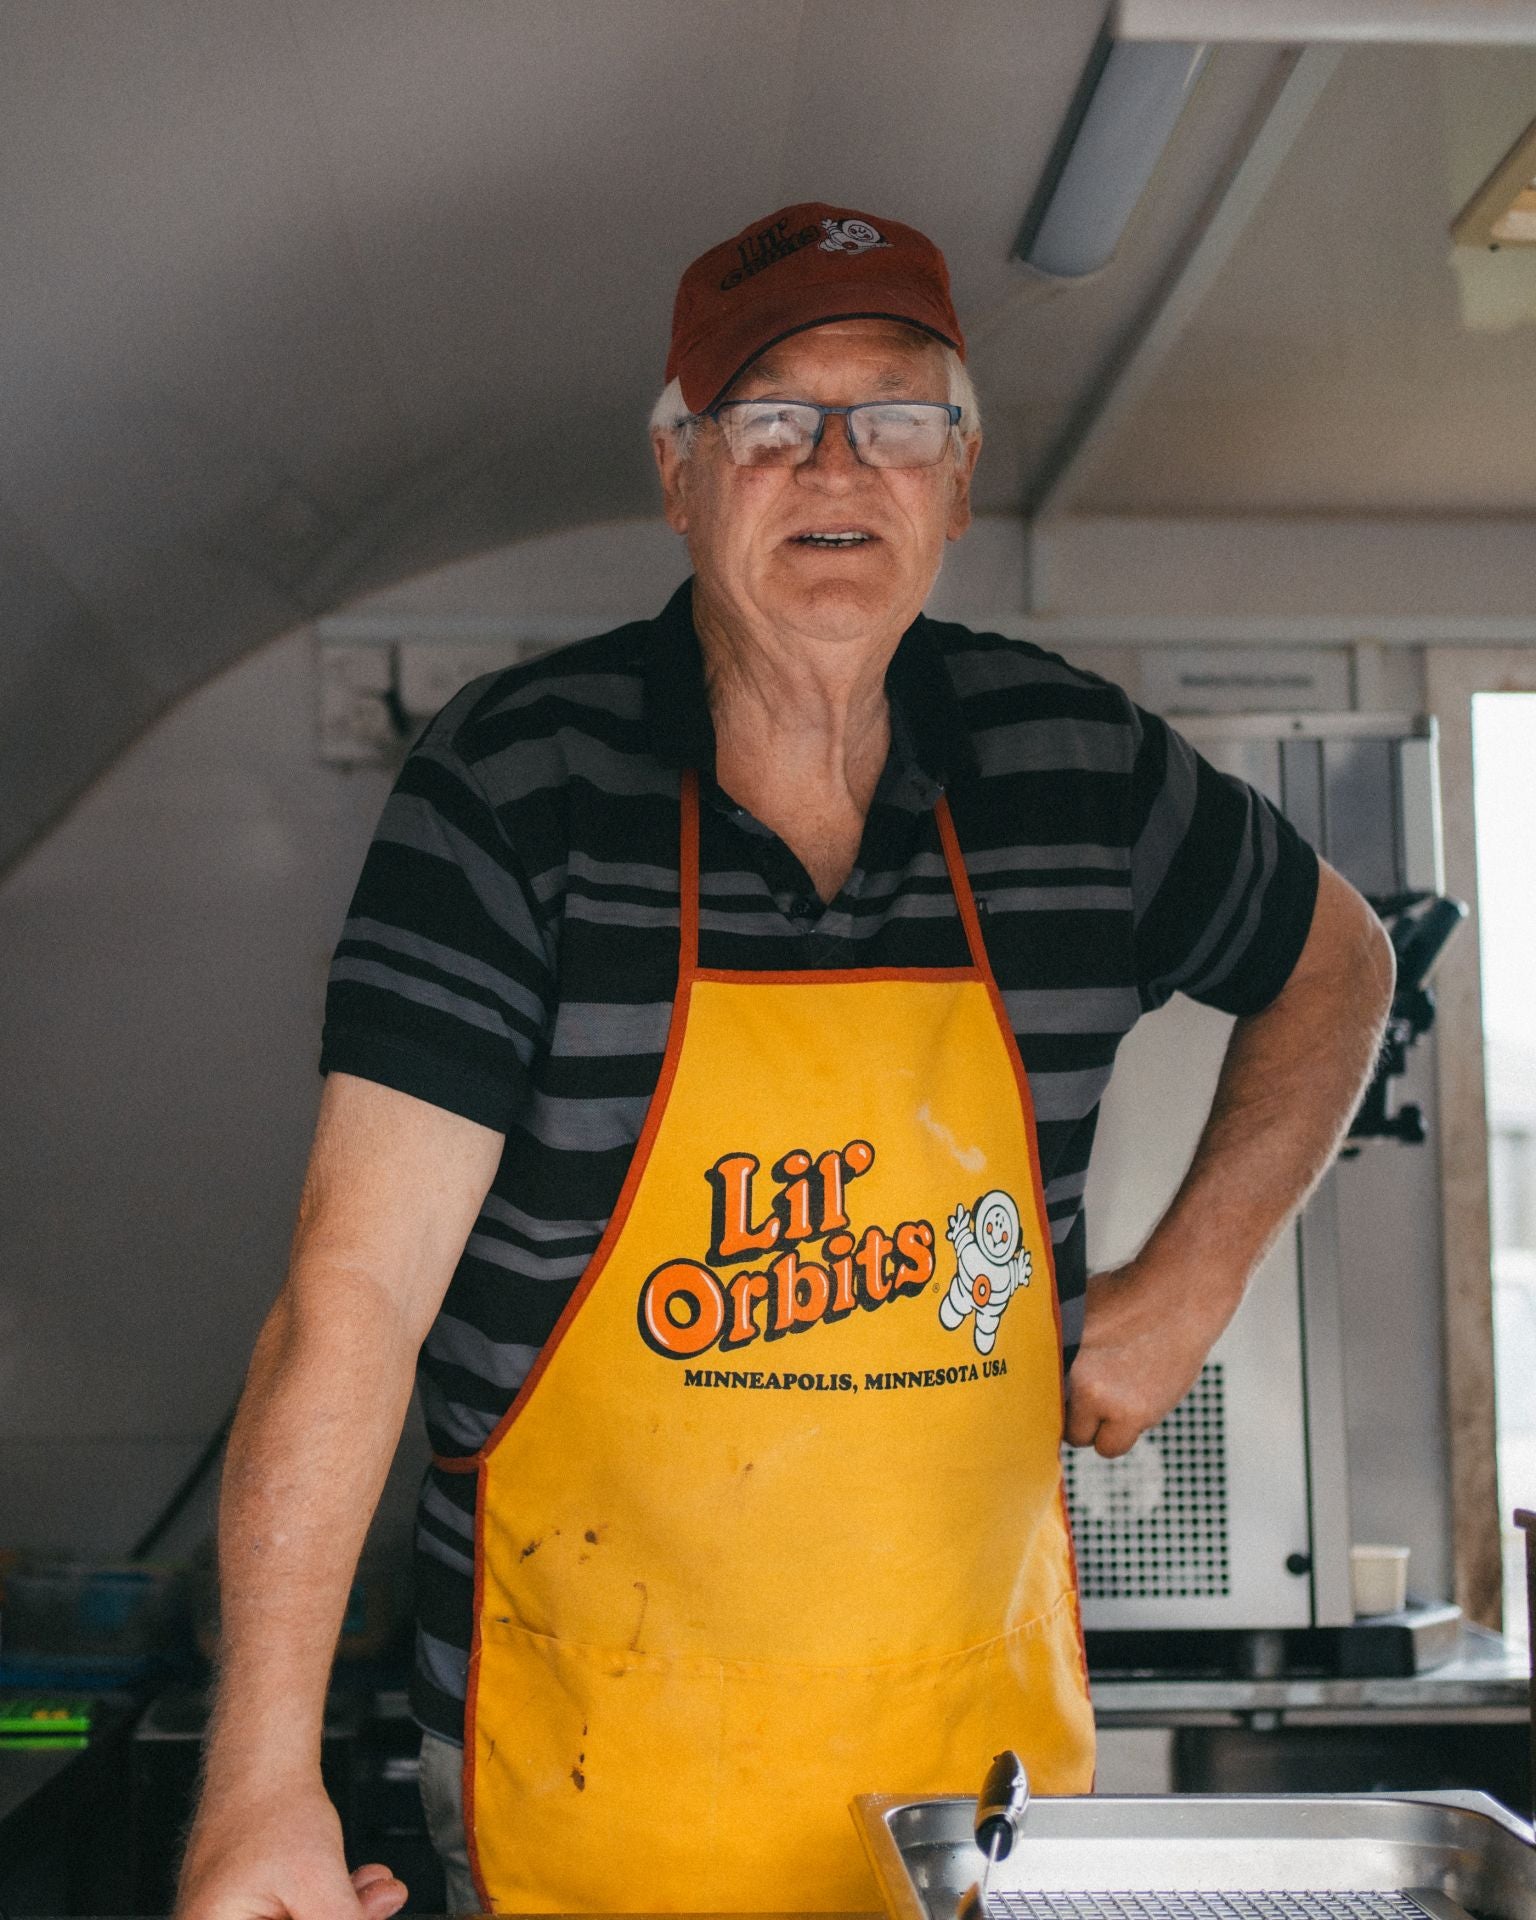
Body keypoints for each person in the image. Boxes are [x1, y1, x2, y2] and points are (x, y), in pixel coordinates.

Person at [177, 202, 1394, 1919]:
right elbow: (353, 1296)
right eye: (771, 421)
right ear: (680, 475)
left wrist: (1200, 1267)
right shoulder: (516, 788)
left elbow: (1340, 963)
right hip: (579, 1793)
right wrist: (259, 1784)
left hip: (970, 1824)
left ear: (959, 479)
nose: (840, 463)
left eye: (898, 417)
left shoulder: (1079, 769)